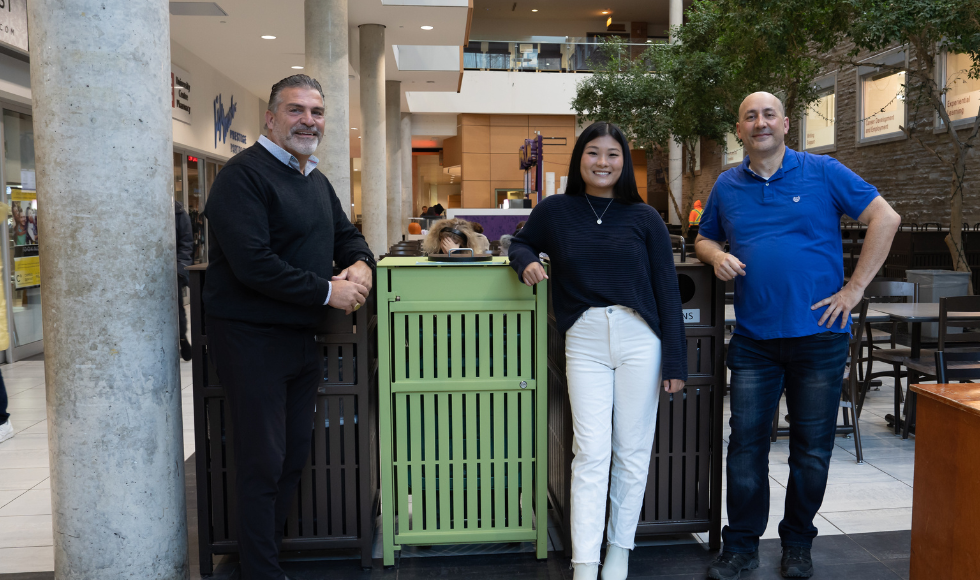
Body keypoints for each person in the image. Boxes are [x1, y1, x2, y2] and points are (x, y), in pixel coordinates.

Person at [695, 92, 900, 580]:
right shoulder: (727, 184)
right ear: (739, 130)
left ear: (786, 124)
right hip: (753, 339)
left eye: (768, 115)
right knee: (745, 448)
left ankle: (798, 544)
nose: (760, 123)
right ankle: (741, 547)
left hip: (821, 336)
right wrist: (713, 254)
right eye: (750, 116)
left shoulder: (823, 172)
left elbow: (885, 217)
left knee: (812, 448)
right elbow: (703, 236)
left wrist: (853, 290)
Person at [202, 74, 375, 580]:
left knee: (292, 456)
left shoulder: (313, 179)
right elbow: (253, 263)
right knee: (262, 462)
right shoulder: (242, 176)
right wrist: (329, 291)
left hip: (301, 339)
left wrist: (362, 264)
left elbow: (346, 236)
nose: (309, 121)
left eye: (317, 112)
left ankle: (266, 561)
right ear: (271, 117)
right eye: (296, 110)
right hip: (251, 340)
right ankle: (260, 571)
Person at [509, 121, 687, 580]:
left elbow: (667, 292)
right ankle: (584, 560)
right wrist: (526, 260)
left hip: (638, 338)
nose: (602, 162)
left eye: (612, 154)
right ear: (579, 159)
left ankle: (619, 550)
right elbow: (522, 241)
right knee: (589, 452)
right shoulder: (556, 210)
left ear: (624, 162)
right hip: (584, 338)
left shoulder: (644, 217)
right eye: (593, 153)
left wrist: (676, 361)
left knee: (631, 450)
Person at [175, 200, 193, 361]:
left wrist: (181, 268)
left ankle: (181, 338)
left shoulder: (179, 213)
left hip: (173, 271)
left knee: (177, 309)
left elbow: (186, 244)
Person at [421, 218, 489, 255]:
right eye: (446, 242)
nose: (448, 247)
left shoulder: (471, 249)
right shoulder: (432, 249)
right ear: (439, 239)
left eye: (455, 243)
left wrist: (455, 253)